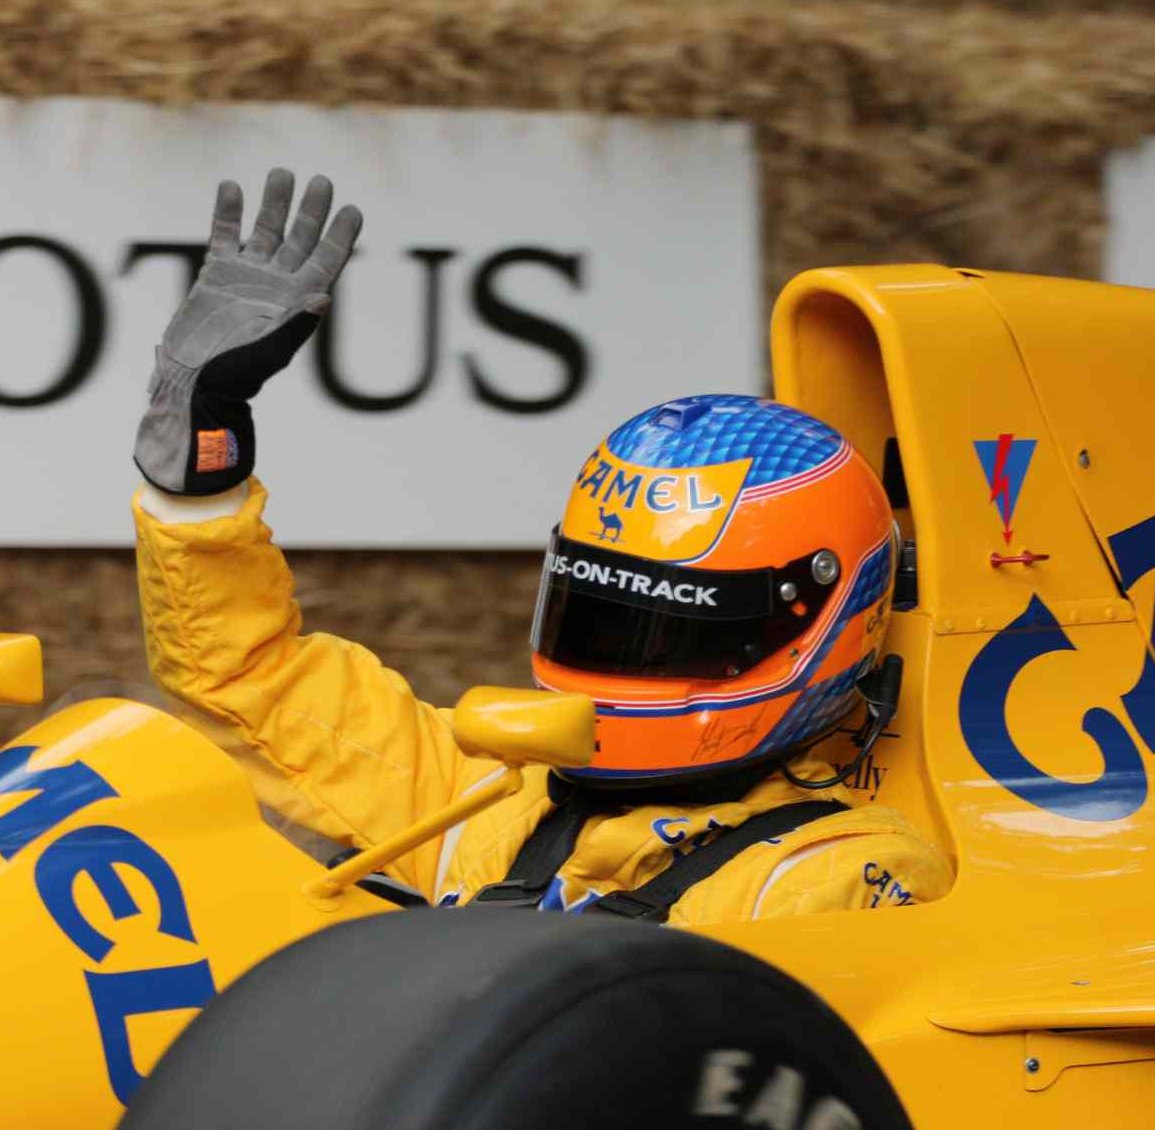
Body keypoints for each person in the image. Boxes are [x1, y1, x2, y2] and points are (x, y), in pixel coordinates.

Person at [130, 168, 951, 923]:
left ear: (823, 624)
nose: (622, 665)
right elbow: (246, 679)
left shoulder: (835, 882)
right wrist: (201, 466)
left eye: (676, 634)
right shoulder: (478, 796)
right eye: (596, 616)